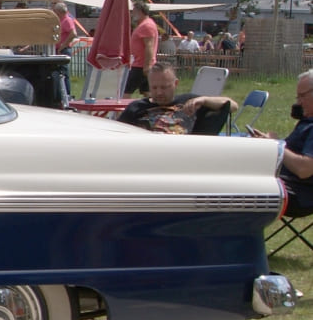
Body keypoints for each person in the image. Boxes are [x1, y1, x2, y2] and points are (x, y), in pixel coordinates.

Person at [250, 71, 313, 213]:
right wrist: (271, 143)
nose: (298, 102)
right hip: (285, 183)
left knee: (237, 188)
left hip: (300, 194)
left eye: (302, 96)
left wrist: (275, 145)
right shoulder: (307, 122)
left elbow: (305, 169)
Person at [118, 63, 237, 135]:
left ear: (176, 83)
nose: (159, 92)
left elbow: (232, 105)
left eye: (164, 87)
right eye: (154, 87)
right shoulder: (136, 107)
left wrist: (203, 100)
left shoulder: (189, 101)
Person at [124, 1, 159, 96]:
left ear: (140, 11)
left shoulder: (147, 25)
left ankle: (125, 110)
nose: (132, 14)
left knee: (125, 91)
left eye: (133, 11)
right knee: (147, 92)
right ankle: (156, 108)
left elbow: (149, 46)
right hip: (140, 63)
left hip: (141, 65)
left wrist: (147, 65)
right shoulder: (143, 25)